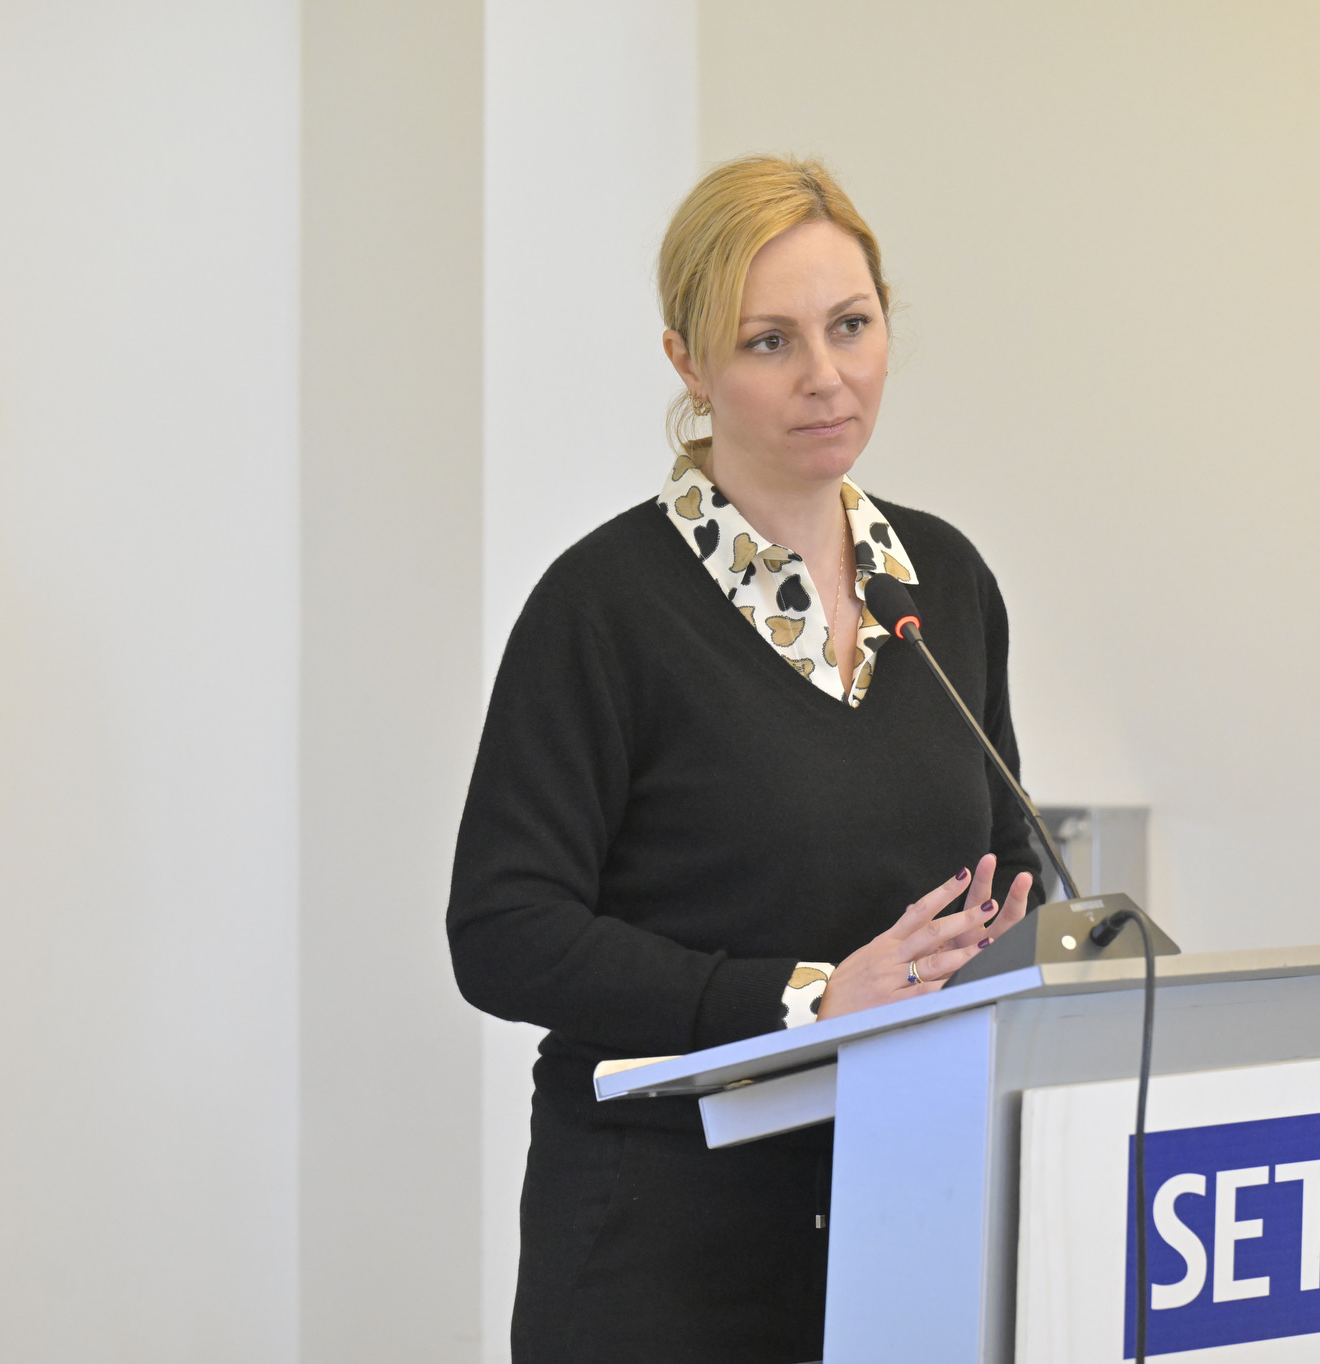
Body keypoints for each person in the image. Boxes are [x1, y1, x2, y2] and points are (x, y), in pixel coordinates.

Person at [446, 155, 1043, 1364]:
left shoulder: (940, 580)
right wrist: (804, 996)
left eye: (850, 325)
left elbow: (1005, 856)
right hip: (664, 1252)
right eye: (769, 341)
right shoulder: (603, 607)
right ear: (688, 362)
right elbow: (503, 930)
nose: (825, 375)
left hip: (909, 1217)